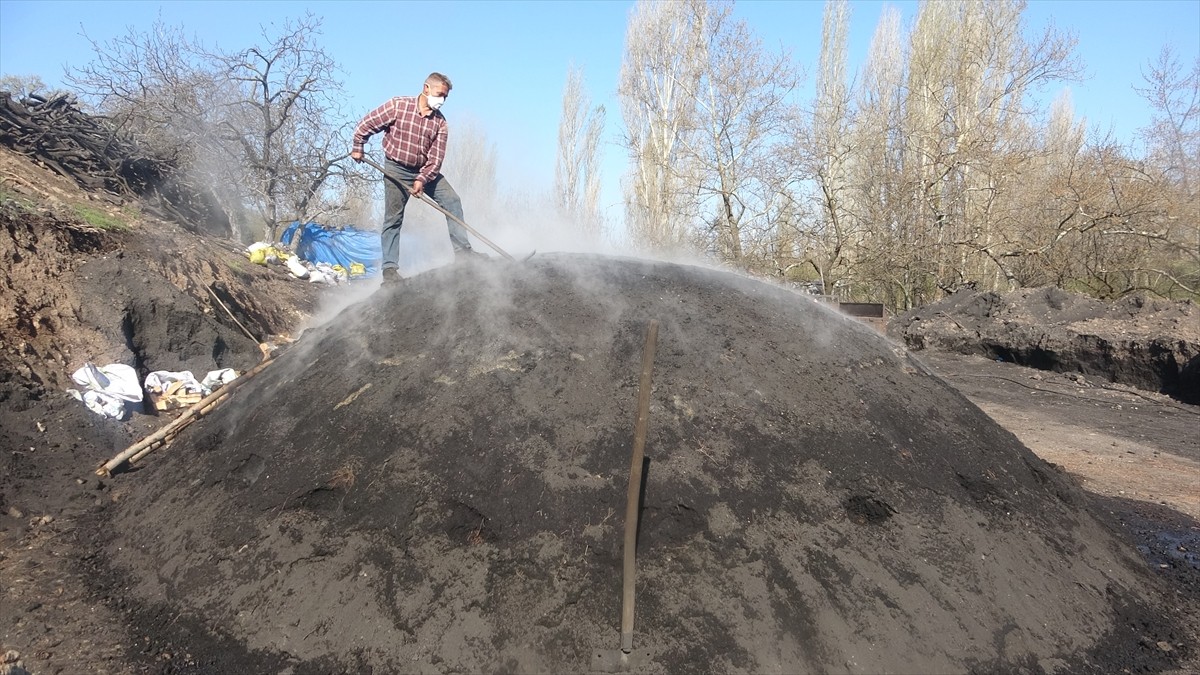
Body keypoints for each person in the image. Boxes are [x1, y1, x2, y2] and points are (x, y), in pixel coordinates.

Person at [351, 72, 480, 284]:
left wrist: (421, 179)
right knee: (393, 218)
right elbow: (365, 124)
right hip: (395, 168)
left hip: (425, 170)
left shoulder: (440, 123)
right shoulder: (397, 106)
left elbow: (435, 159)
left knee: (452, 200)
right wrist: (358, 146)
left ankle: (464, 254)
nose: (442, 100)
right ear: (426, 88)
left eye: (445, 97)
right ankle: (390, 270)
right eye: (440, 94)